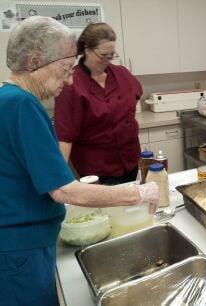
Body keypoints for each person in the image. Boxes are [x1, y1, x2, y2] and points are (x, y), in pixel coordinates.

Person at [0, 16, 159, 306]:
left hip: (22, 244)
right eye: (65, 69)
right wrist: (137, 193)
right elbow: (63, 190)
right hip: (20, 249)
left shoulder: (9, 99)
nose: (71, 79)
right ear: (35, 61)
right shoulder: (21, 105)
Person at [54, 22, 143, 185]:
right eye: (103, 55)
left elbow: (135, 97)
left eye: (112, 55)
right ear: (87, 49)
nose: (108, 60)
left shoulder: (122, 74)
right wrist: (59, 179)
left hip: (130, 160)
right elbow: (65, 137)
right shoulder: (71, 83)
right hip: (97, 170)